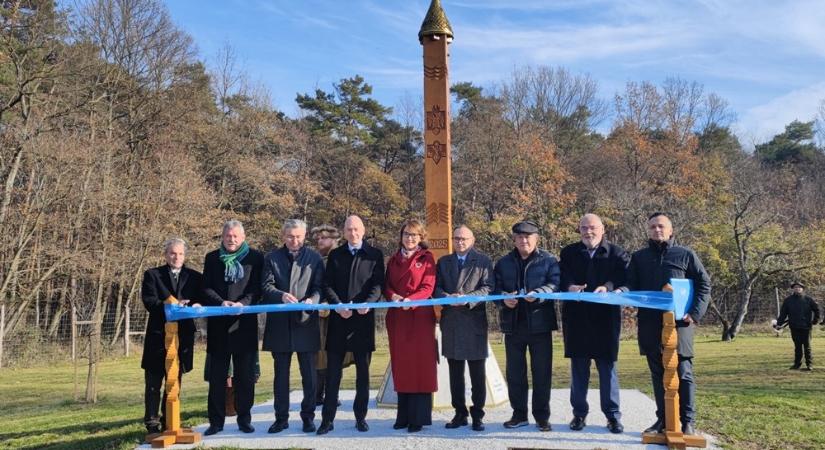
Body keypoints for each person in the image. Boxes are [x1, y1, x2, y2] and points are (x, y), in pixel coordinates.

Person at [625, 213, 710, 436]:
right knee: (657, 373)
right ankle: (662, 420)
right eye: (652, 227)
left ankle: (687, 421)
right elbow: (630, 286)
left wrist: (695, 312)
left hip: (680, 324)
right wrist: (624, 297)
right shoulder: (639, 257)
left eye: (661, 226)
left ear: (671, 230)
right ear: (648, 230)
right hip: (650, 324)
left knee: (683, 372)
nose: (657, 230)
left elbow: (704, 283)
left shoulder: (685, 254)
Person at [559, 214, 629, 434]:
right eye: (583, 228)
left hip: (605, 321)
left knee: (608, 371)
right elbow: (561, 277)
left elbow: (625, 279)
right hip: (577, 320)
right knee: (579, 371)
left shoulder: (617, 253)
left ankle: (612, 416)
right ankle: (579, 415)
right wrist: (570, 286)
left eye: (592, 228)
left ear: (603, 229)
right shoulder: (569, 252)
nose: (588, 232)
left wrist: (607, 287)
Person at [317, 215, 385, 435]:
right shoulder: (336, 255)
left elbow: (378, 285)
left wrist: (369, 303)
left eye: (356, 229)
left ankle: (360, 417)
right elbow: (326, 284)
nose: (353, 233)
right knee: (333, 374)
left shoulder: (374, 255)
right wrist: (338, 306)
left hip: (363, 322)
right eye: (348, 229)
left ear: (363, 230)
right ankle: (327, 420)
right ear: (344, 232)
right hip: (339, 320)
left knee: (363, 375)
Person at [493, 220, 560, 432]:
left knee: (541, 373)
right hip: (513, 326)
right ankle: (519, 414)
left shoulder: (548, 260)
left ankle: (542, 416)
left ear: (536, 238)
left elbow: (555, 284)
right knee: (515, 374)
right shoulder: (503, 263)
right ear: (514, 239)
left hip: (540, 325)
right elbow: (494, 290)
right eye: (520, 237)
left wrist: (539, 294)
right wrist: (503, 299)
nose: (524, 240)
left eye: (528, 237)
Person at [261, 219, 325, 433]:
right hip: (279, 325)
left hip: (306, 321)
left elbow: (319, 288)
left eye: (298, 236)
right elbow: (265, 286)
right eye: (290, 236)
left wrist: (312, 301)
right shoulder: (271, 258)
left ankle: (308, 417)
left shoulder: (315, 258)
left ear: (304, 236)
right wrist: (280, 296)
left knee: (309, 374)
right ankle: (281, 418)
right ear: (283, 236)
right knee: (281, 375)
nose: (294, 240)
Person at [201, 220, 264, 436]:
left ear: (243, 237)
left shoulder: (255, 258)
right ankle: (216, 422)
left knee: (245, 377)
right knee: (217, 378)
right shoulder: (212, 258)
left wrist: (243, 304)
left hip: (244, 325)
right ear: (222, 236)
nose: (232, 239)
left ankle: (244, 419)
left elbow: (257, 289)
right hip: (218, 327)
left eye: (236, 236)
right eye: (228, 236)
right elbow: (205, 287)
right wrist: (221, 303)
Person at [434, 225, 494, 432]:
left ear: (473, 240)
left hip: (474, 321)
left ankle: (478, 414)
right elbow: (436, 288)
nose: (460, 242)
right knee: (455, 374)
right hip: (451, 322)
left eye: (464, 238)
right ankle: (459, 413)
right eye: (457, 238)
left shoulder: (483, 261)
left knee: (477, 373)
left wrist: (468, 300)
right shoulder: (443, 262)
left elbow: (488, 287)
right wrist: (448, 298)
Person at [140, 238, 201, 434]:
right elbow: (149, 301)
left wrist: (195, 307)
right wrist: (172, 307)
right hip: (158, 335)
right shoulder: (152, 275)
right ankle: (151, 423)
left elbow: (200, 300)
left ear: (185, 255)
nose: (177, 257)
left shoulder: (195, 277)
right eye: (173, 253)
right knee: (153, 381)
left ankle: (170, 420)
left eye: (181, 253)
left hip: (182, 336)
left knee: (174, 380)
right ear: (166, 255)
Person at [384, 218, 437, 433]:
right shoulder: (393, 259)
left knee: (420, 366)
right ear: (401, 236)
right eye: (406, 234)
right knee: (402, 365)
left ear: (421, 237)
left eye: (414, 235)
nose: (409, 238)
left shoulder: (426, 258)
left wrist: (412, 300)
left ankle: (418, 417)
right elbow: (386, 284)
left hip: (419, 316)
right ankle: (403, 415)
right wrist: (394, 296)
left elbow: (428, 286)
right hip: (398, 317)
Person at [309, 224, 347, 407]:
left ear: (334, 239)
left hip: (337, 313)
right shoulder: (316, 259)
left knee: (336, 356)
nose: (319, 241)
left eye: (323, 238)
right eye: (317, 239)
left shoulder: (340, 258)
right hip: (319, 314)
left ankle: (332, 393)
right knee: (320, 356)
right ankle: (318, 394)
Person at [774, 281, 820, 371]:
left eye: (799, 287)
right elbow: (783, 313)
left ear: (802, 289)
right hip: (794, 327)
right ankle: (797, 365)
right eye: (795, 287)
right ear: (793, 289)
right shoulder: (788, 301)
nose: (797, 289)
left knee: (807, 347)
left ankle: (809, 365)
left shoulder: (808, 299)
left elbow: (816, 310)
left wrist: (814, 321)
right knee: (797, 347)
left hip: (806, 327)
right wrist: (779, 324)